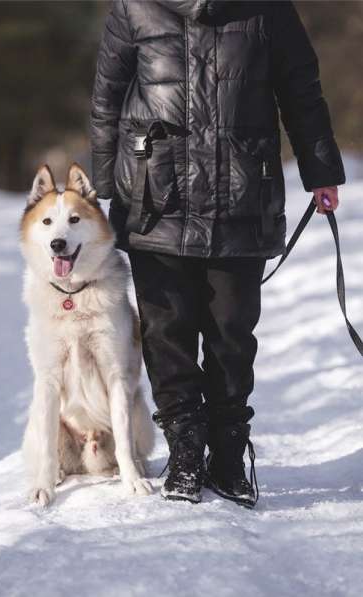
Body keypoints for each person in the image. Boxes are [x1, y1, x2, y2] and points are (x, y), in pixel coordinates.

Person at [89, 0, 345, 506]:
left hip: (242, 194)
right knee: (167, 332)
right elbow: (107, 99)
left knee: (231, 332)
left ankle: (228, 453)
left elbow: (301, 90)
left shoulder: (269, 8)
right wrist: (100, 188)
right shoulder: (133, 7)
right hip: (155, 196)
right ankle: (185, 450)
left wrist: (321, 173)